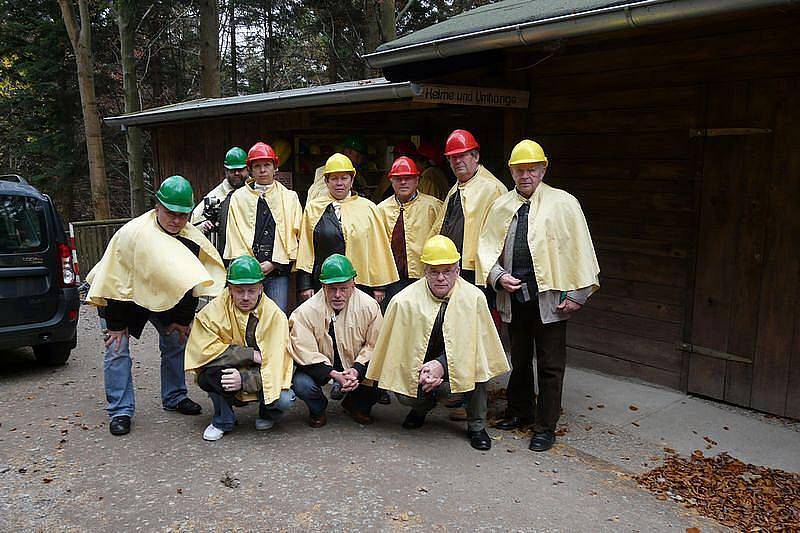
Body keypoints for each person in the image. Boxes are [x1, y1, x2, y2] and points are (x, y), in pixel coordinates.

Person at [476, 140, 600, 452]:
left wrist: (577, 294)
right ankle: (519, 412)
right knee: (518, 360)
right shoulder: (501, 205)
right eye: (520, 170)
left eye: (532, 169)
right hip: (514, 296)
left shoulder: (564, 203)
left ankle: (545, 426)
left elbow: (581, 250)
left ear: (543, 169)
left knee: (550, 364)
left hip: (552, 298)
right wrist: (498, 276)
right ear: (512, 172)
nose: (526, 175)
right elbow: (485, 249)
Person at [85, 175, 226, 436]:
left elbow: (191, 283)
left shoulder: (190, 237)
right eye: (170, 213)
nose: (177, 220)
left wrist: (183, 320)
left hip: (161, 299)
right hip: (120, 299)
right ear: (157, 207)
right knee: (117, 348)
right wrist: (116, 325)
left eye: (183, 215)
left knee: (176, 340)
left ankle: (174, 396)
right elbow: (117, 280)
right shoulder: (132, 234)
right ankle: (120, 411)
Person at [366, 236, 510, 450]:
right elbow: (398, 351)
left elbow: (477, 347)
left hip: (460, 365)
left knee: (479, 369)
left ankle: (477, 426)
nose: (441, 278)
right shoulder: (403, 301)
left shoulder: (474, 298)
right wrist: (422, 370)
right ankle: (421, 407)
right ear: (425, 272)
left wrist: (442, 365)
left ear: (458, 271)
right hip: (421, 366)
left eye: (448, 271)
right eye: (434, 271)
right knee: (404, 393)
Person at [185, 255, 295, 441]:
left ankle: (267, 413)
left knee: (284, 398)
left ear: (261, 287)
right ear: (229, 289)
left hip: (256, 374)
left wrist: (244, 380)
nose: (245, 297)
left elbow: (277, 366)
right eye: (239, 291)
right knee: (207, 375)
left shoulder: (275, 316)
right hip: (232, 371)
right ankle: (223, 421)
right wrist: (249, 354)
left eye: (251, 290)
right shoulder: (212, 311)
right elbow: (203, 351)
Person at [289, 254, 382, 427]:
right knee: (301, 383)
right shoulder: (304, 313)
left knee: (384, 373)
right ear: (323, 286)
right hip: (326, 367)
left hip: (355, 365)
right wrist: (333, 374)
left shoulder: (370, 306)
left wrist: (356, 370)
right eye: (332, 288)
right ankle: (318, 408)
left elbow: (375, 345)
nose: (338, 295)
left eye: (344, 288)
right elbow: (304, 351)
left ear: (353, 284)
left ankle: (356, 405)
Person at [295, 152, 398, 304]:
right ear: (326, 181)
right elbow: (306, 250)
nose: (339, 183)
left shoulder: (368, 208)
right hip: (325, 282)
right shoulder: (313, 209)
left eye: (344, 178)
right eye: (334, 178)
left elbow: (378, 248)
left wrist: (380, 286)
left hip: (361, 284)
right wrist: (305, 284)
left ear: (352, 180)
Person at [222, 142, 302, 312]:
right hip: (247, 274)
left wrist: (273, 263)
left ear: (275, 167)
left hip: (277, 271)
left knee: (276, 316)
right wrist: (250, 265)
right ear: (250, 169)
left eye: (267, 165)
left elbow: (295, 236)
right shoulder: (238, 198)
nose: (263, 170)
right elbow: (233, 236)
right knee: (247, 318)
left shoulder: (290, 198)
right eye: (257, 166)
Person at [430, 129, 507, 284]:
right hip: (452, 268)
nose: (457, 161)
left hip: (477, 272)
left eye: (462, 155)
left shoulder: (493, 188)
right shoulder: (456, 187)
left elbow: (501, 236)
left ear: (476, 156)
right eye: (453, 157)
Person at [376, 156, 442, 307]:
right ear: (391, 181)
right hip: (391, 280)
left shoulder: (433, 207)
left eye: (408, 178)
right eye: (398, 179)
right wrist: (379, 285)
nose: (403, 182)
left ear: (417, 180)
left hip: (424, 278)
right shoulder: (380, 210)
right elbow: (375, 249)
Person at [191, 146, 249, 233]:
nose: (237, 173)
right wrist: (203, 226)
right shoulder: (215, 196)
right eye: (232, 170)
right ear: (226, 171)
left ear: (248, 169)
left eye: (240, 169)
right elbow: (193, 226)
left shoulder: (256, 190)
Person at [307, 135, 369, 202]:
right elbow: (323, 201)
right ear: (348, 151)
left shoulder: (357, 175)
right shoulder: (327, 172)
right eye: (358, 156)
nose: (360, 160)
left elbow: (366, 193)